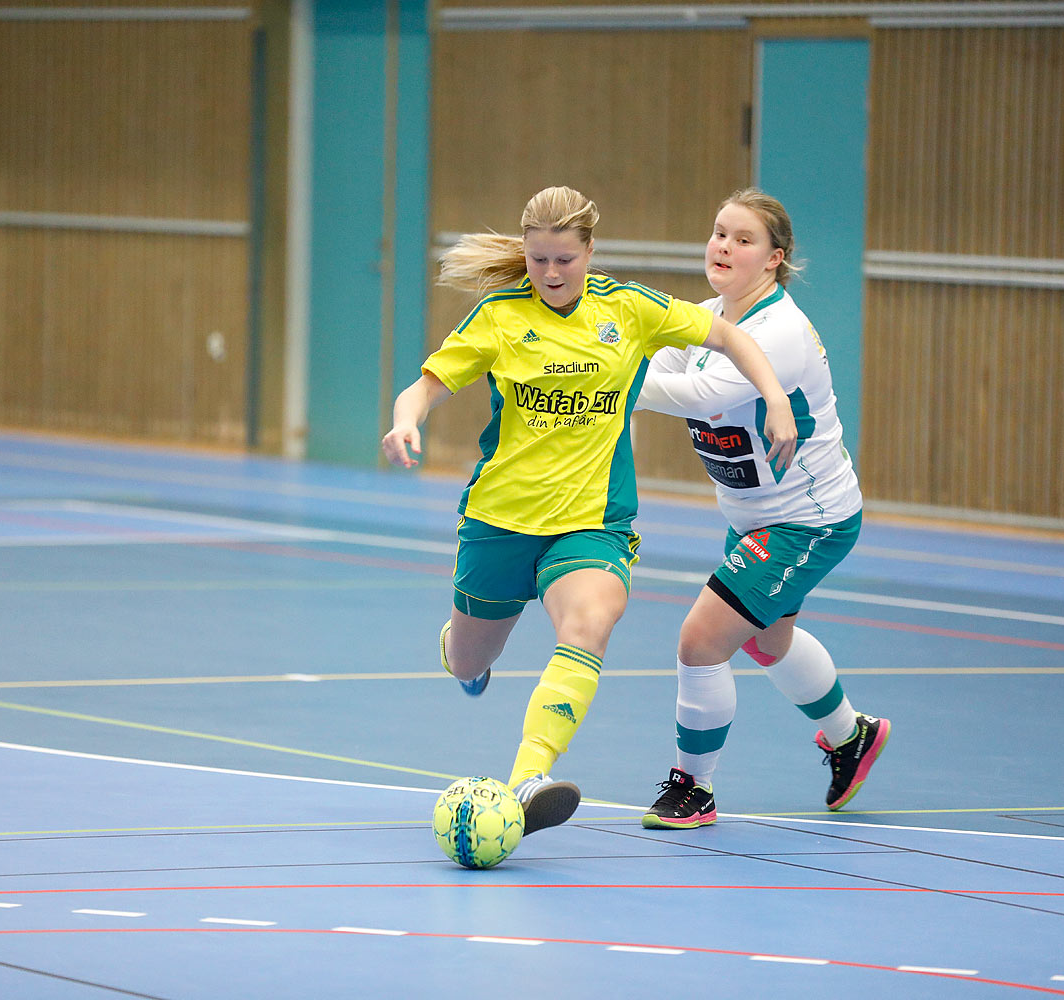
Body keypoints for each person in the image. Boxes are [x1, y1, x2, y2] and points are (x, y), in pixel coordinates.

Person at [381, 186, 799, 836]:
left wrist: (772, 397)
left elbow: (726, 335)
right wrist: (405, 422)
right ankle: (459, 650)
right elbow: (426, 386)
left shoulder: (628, 310)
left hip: (591, 522)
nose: (550, 273)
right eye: (539, 259)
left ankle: (528, 776)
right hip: (499, 523)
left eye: (564, 260)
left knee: (589, 626)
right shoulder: (499, 317)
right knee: (468, 660)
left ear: (589, 253)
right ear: (526, 253)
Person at [634, 189, 889, 828]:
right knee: (768, 640)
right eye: (719, 233)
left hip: (808, 519)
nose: (723, 247)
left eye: (742, 240)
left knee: (700, 641)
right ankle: (850, 735)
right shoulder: (703, 316)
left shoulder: (779, 333)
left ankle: (694, 787)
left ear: (774, 259)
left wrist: (610, 379)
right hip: (755, 515)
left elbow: (695, 392)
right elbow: (655, 356)